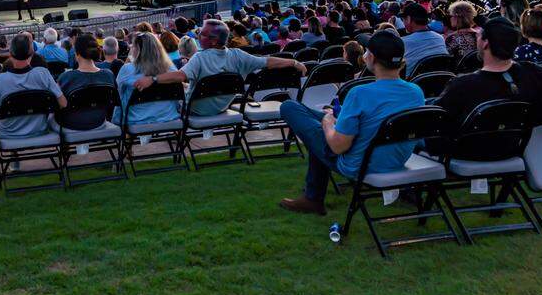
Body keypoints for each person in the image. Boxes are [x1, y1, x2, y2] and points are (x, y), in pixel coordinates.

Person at [278, 31, 425, 215]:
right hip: (394, 160)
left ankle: (313, 198)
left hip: (359, 165)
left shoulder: (359, 93)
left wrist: (328, 123)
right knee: (313, 117)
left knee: (290, 107)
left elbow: (338, 147)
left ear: (371, 57)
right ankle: (312, 197)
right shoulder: (415, 91)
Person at [432, 17, 542, 139]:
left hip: (468, 153)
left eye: (479, 36)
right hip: (516, 145)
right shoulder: (532, 73)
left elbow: (434, 122)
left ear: (485, 43)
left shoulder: (461, 85)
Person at [144, 18, 305, 117]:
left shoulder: (200, 58)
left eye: (203, 34)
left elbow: (180, 76)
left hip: (195, 109)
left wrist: (153, 79)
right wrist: (294, 63)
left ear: (214, 41)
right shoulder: (238, 56)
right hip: (221, 107)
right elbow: (267, 61)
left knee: (169, 92)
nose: (199, 35)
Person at [0, 34, 66, 139]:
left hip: (7, 135)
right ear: (31, 53)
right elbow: (63, 103)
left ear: (10, 53)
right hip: (39, 130)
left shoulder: (1, 80)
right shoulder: (43, 74)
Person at [55, 33, 116, 130]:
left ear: (77, 54)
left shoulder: (66, 77)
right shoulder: (108, 75)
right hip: (99, 121)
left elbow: (58, 104)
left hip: (72, 124)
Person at [116, 33, 180, 125]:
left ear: (137, 49)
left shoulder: (127, 69)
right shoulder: (171, 69)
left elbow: (118, 95)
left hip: (137, 121)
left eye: (133, 47)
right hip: (169, 117)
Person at [399, 1, 447, 70]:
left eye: (403, 19)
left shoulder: (402, 43)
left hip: (414, 77)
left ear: (409, 19)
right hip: (442, 76)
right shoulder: (440, 38)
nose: (403, 22)